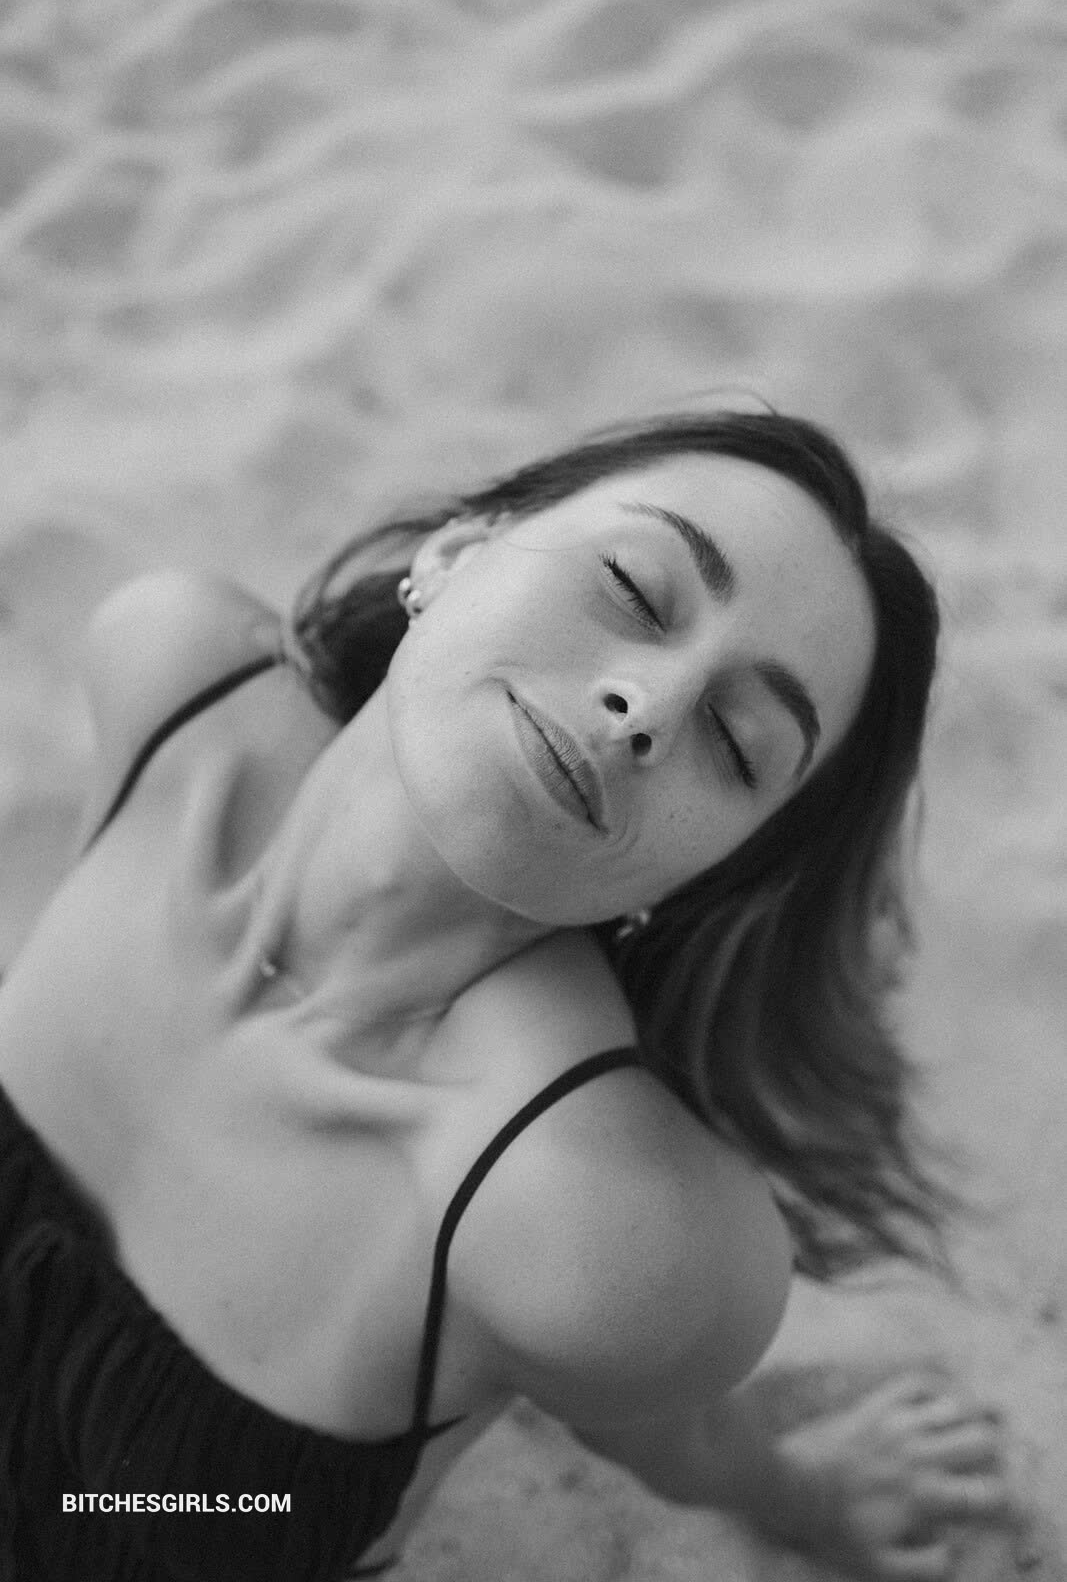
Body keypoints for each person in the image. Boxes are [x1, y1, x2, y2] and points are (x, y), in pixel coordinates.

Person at [0, 409, 1025, 1581]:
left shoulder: (583, 1212)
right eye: (632, 589)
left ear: (702, 874)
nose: (647, 706)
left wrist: (800, 1489)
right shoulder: (172, 679)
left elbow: (672, 1433)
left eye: (736, 744)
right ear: (454, 554)